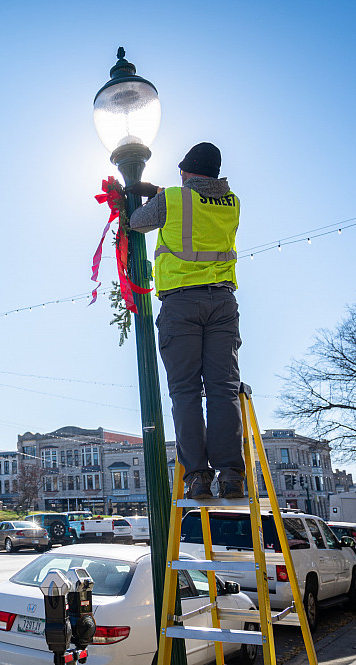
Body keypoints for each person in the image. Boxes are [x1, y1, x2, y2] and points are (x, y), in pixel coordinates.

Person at [128, 142, 244, 500]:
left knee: (185, 391)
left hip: (182, 303)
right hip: (223, 302)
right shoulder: (233, 202)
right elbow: (200, 205)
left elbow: (138, 223)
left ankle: (197, 477)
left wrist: (156, 195)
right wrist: (164, 192)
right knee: (223, 390)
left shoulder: (175, 197)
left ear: (187, 171)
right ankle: (231, 475)